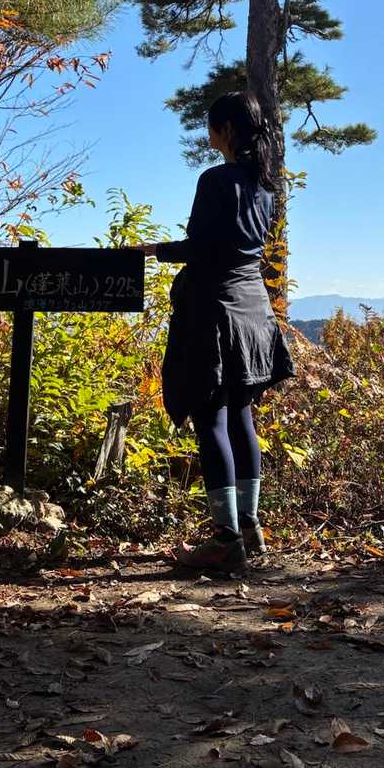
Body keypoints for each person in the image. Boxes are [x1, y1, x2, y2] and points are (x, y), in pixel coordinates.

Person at [134, 91, 294, 572]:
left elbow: (201, 247)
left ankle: (225, 540)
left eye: (210, 126)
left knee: (211, 420)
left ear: (225, 129)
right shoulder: (265, 187)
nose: (207, 134)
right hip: (253, 311)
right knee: (242, 418)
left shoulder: (216, 180)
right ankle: (249, 528)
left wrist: (153, 251)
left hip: (214, 312)